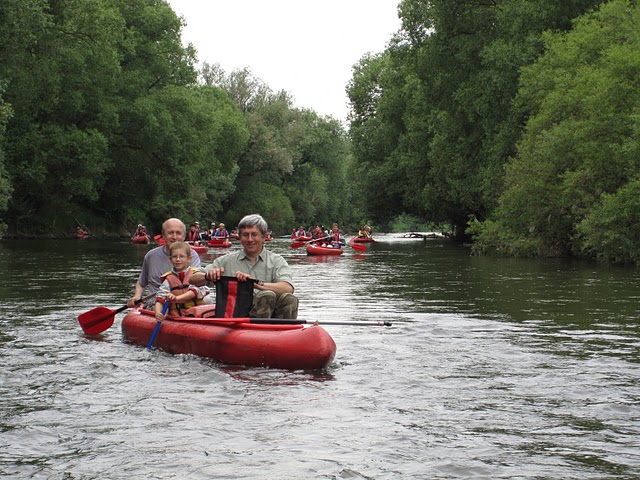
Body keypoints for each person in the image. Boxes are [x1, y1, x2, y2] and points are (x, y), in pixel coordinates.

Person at [190, 214, 298, 319]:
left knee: (288, 298)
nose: (250, 239)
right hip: (238, 316)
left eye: (254, 235)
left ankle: (280, 332)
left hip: (271, 318)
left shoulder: (276, 261)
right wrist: (207, 276)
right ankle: (254, 332)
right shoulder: (226, 261)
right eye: (245, 235)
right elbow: (192, 278)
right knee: (266, 295)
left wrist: (254, 283)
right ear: (240, 237)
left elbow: (288, 288)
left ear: (264, 237)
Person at [127, 218, 202, 309]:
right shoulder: (151, 256)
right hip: (156, 303)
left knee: (208, 300)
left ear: (183, 236)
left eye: (178, 233)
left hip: (183, 302)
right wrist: (137, 296)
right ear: (163, 235)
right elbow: (142, 282)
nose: (174, 237)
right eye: (170, 233)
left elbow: (197, 283)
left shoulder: (192, 255)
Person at [154, 242, 209, 319]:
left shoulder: (196, 275)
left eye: (182, 256)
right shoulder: (168, 279)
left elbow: (195, 291)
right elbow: (160, 298)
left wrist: (176, 298)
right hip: (177, 316)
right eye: (174, 257)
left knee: (208, 299)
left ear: (189, 259)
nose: (178, 259)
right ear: (170, 259)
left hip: (197, 316)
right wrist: (158, 313)